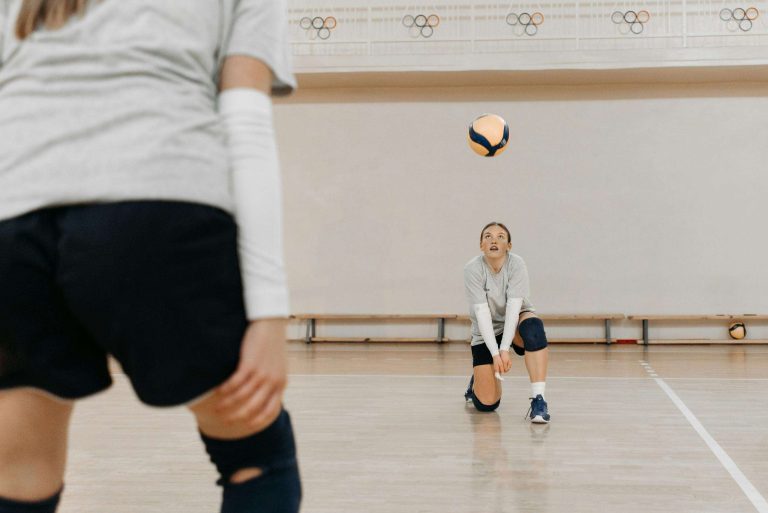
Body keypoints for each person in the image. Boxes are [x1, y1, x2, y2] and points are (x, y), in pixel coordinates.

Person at [0, 1, 301, 512]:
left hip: (13, 221)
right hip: (152, 211)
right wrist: (270, 313)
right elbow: (245, 124)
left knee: (16, 473)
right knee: (258, 457)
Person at [463, 222, 551, 423]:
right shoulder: (472, 269)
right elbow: (481, 312)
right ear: (481, 245)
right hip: (487, 330)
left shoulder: (517, 264)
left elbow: (513, 308)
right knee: (487, 405)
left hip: (517, 322)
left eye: (501, 236)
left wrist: (504, 350)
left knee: (533, 327)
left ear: (509, 246)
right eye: (488, 236)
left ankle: (539, 400)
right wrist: (495, 353)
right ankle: (477, 381)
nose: (494, 239)